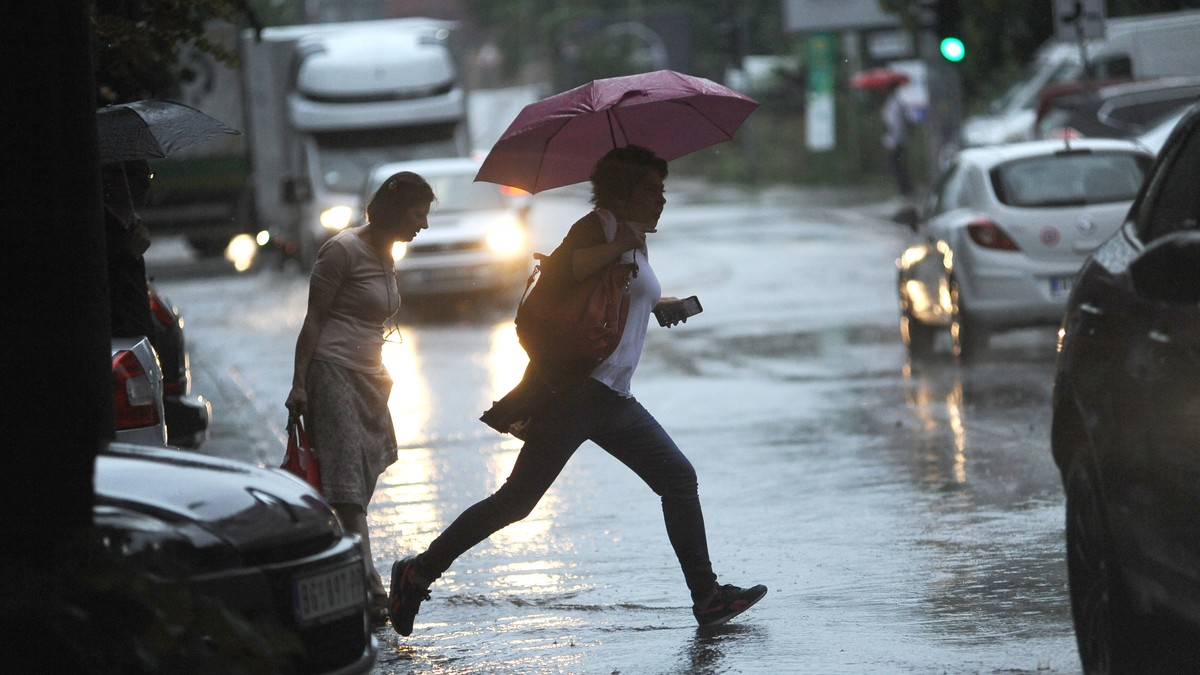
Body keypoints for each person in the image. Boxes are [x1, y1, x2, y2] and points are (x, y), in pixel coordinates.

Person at [387, 145, 766, 636]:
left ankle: (708, 598)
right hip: (575, 394)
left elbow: (609, 294)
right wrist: (619, 241)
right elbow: (565, 274)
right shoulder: (598, 228)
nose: (661, 200)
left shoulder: (630, 238)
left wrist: (657, 304)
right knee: (516, 502)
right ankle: (417, 573)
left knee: (675, 478)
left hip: (609, 396)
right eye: (652, 190)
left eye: (663, 190)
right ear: (623, 194)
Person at [285, 171, 435, 625]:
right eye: (418, 214)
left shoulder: (388, 253)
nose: (424, 225)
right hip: (332, 373)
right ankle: (369, 586)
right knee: (347, 483)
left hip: (371, 378)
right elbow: (313, 320)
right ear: (394, 210)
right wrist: (299, 384)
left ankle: (345, 561)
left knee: (361, 474)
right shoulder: (342, 250)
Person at [102, 159, 155, 341]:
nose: (146, 185)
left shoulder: (131, 227)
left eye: (149, 176)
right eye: (138, 177)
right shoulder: (107, 229)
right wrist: (128, 254)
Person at [881, 79, 915, 199]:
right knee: (898, 165)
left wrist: (892, 140)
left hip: (897, 140)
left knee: (897, 166)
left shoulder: (895, 103)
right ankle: (906, 189)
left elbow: (895, 124)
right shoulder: (893, 102)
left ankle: (905, 190)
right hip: (896, 139)